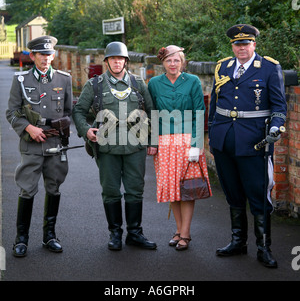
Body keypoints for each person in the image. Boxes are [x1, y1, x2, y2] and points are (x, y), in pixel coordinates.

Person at [208, 24, 287, 268]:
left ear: (254, 44)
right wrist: (212, 132)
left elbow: (279, 107)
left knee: (258, 196)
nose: (241, 48)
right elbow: (215, 103)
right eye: (237, 44)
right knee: (232, 194)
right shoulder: (223, 66)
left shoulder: (269, 68)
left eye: (245, 43)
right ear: (232, 46)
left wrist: (275, 127)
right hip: (224, 141)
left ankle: (263, 248)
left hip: (255, 143)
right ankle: (238, 242)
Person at [72, 41, 157, 251]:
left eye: (120, 59)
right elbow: (78, 111)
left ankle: (135, 233)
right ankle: (115, 233)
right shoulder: (96, 85)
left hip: (135, 146)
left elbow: (153, 111)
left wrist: (153, 141)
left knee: (135, 190)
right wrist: (86, 130)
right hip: (107, 147)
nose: (117, 62)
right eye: (113, 59)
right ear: (107, 61)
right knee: (110, 191)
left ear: (126, 61)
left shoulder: (138, 83)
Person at [6, 35, 73, 257]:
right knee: (27, 189)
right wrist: (28, 128)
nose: (46, 58)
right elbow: (12, 112)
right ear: (33, 56)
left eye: (49, 54)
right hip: (31, 145)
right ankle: (21, 238)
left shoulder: (64, 79)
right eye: (41, 54)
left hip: (55, 144)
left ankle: (49, 236)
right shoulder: (21, 80)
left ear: (53, 56)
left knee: (54, 188)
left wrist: (65, 129)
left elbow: (68, 112)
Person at [148, 45, 212, 251]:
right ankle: (178, 230)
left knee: (188, 188)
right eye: (168, 60)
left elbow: (199, 113)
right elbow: (153, 114)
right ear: (163, 63)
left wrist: (197, 145)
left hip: (187, 143)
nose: (173, 64)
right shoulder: (154, 83)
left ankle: (186, 233)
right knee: (171, 189)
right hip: (165, 143)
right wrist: (153, 142)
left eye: (176, 60)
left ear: (182, 62)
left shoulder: (192, 81)